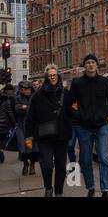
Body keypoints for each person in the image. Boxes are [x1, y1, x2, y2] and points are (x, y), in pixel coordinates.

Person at [66, 55, 108, 198]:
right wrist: (79, 115)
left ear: (96, 65)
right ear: (84, 66)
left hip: (101, 126)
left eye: (93, 62)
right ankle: (91, 188)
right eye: (88, 62)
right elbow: (68, 105)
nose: (90, 65)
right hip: (84, 128)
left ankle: (105, 190)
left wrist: (105, 112)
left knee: (104, 158)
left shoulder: (104, 82)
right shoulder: (77, 83)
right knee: (86, 160)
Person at [25, 65, 72, 197]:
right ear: (46, 77)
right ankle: (48, 188)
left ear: (58, 76)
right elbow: (29, 118)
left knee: (61, 167)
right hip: (44, 137)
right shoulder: (37, 96)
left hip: (61, 136)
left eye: (54, 75)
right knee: (46, 165)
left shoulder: (65, 93)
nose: (52, 77)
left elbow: (72, 113)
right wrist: (28, 136)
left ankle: (58, 192)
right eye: (50, 75)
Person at [15, 81, 39, 175]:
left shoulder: (35, 96)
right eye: (24, 89)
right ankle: (25, 164)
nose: (26, 91)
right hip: (22, 126)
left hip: (33, 126)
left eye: (28, 89)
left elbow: (37, 110)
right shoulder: (17, 98)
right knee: (23, 148)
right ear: (21, 90)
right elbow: (17, 111)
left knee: (33, 147)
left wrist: (25, 107)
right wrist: (23, 108)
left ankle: (32, 165)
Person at [0, 85, 17, 163]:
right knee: (3, 139)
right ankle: (1, 151)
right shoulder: (7, 101)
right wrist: (14, 124)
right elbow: (10, 113)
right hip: (4, 124)